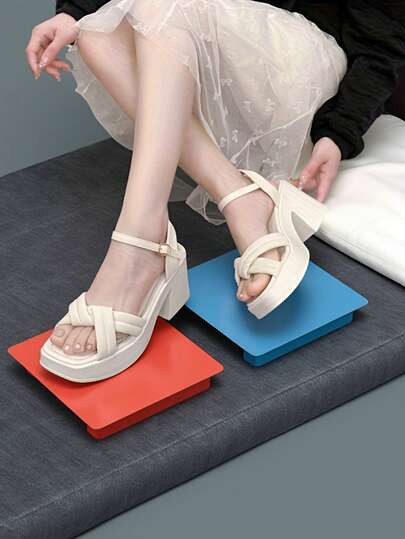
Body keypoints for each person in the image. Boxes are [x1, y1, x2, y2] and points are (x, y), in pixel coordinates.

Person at [25, 0, 405, 373]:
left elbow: (381, 42)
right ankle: (237, 195)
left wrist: (339, 133)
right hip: (201, 61)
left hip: (300, 75)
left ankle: (141, 242)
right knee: (97, 31)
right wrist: (73, 13)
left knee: (160, 7)